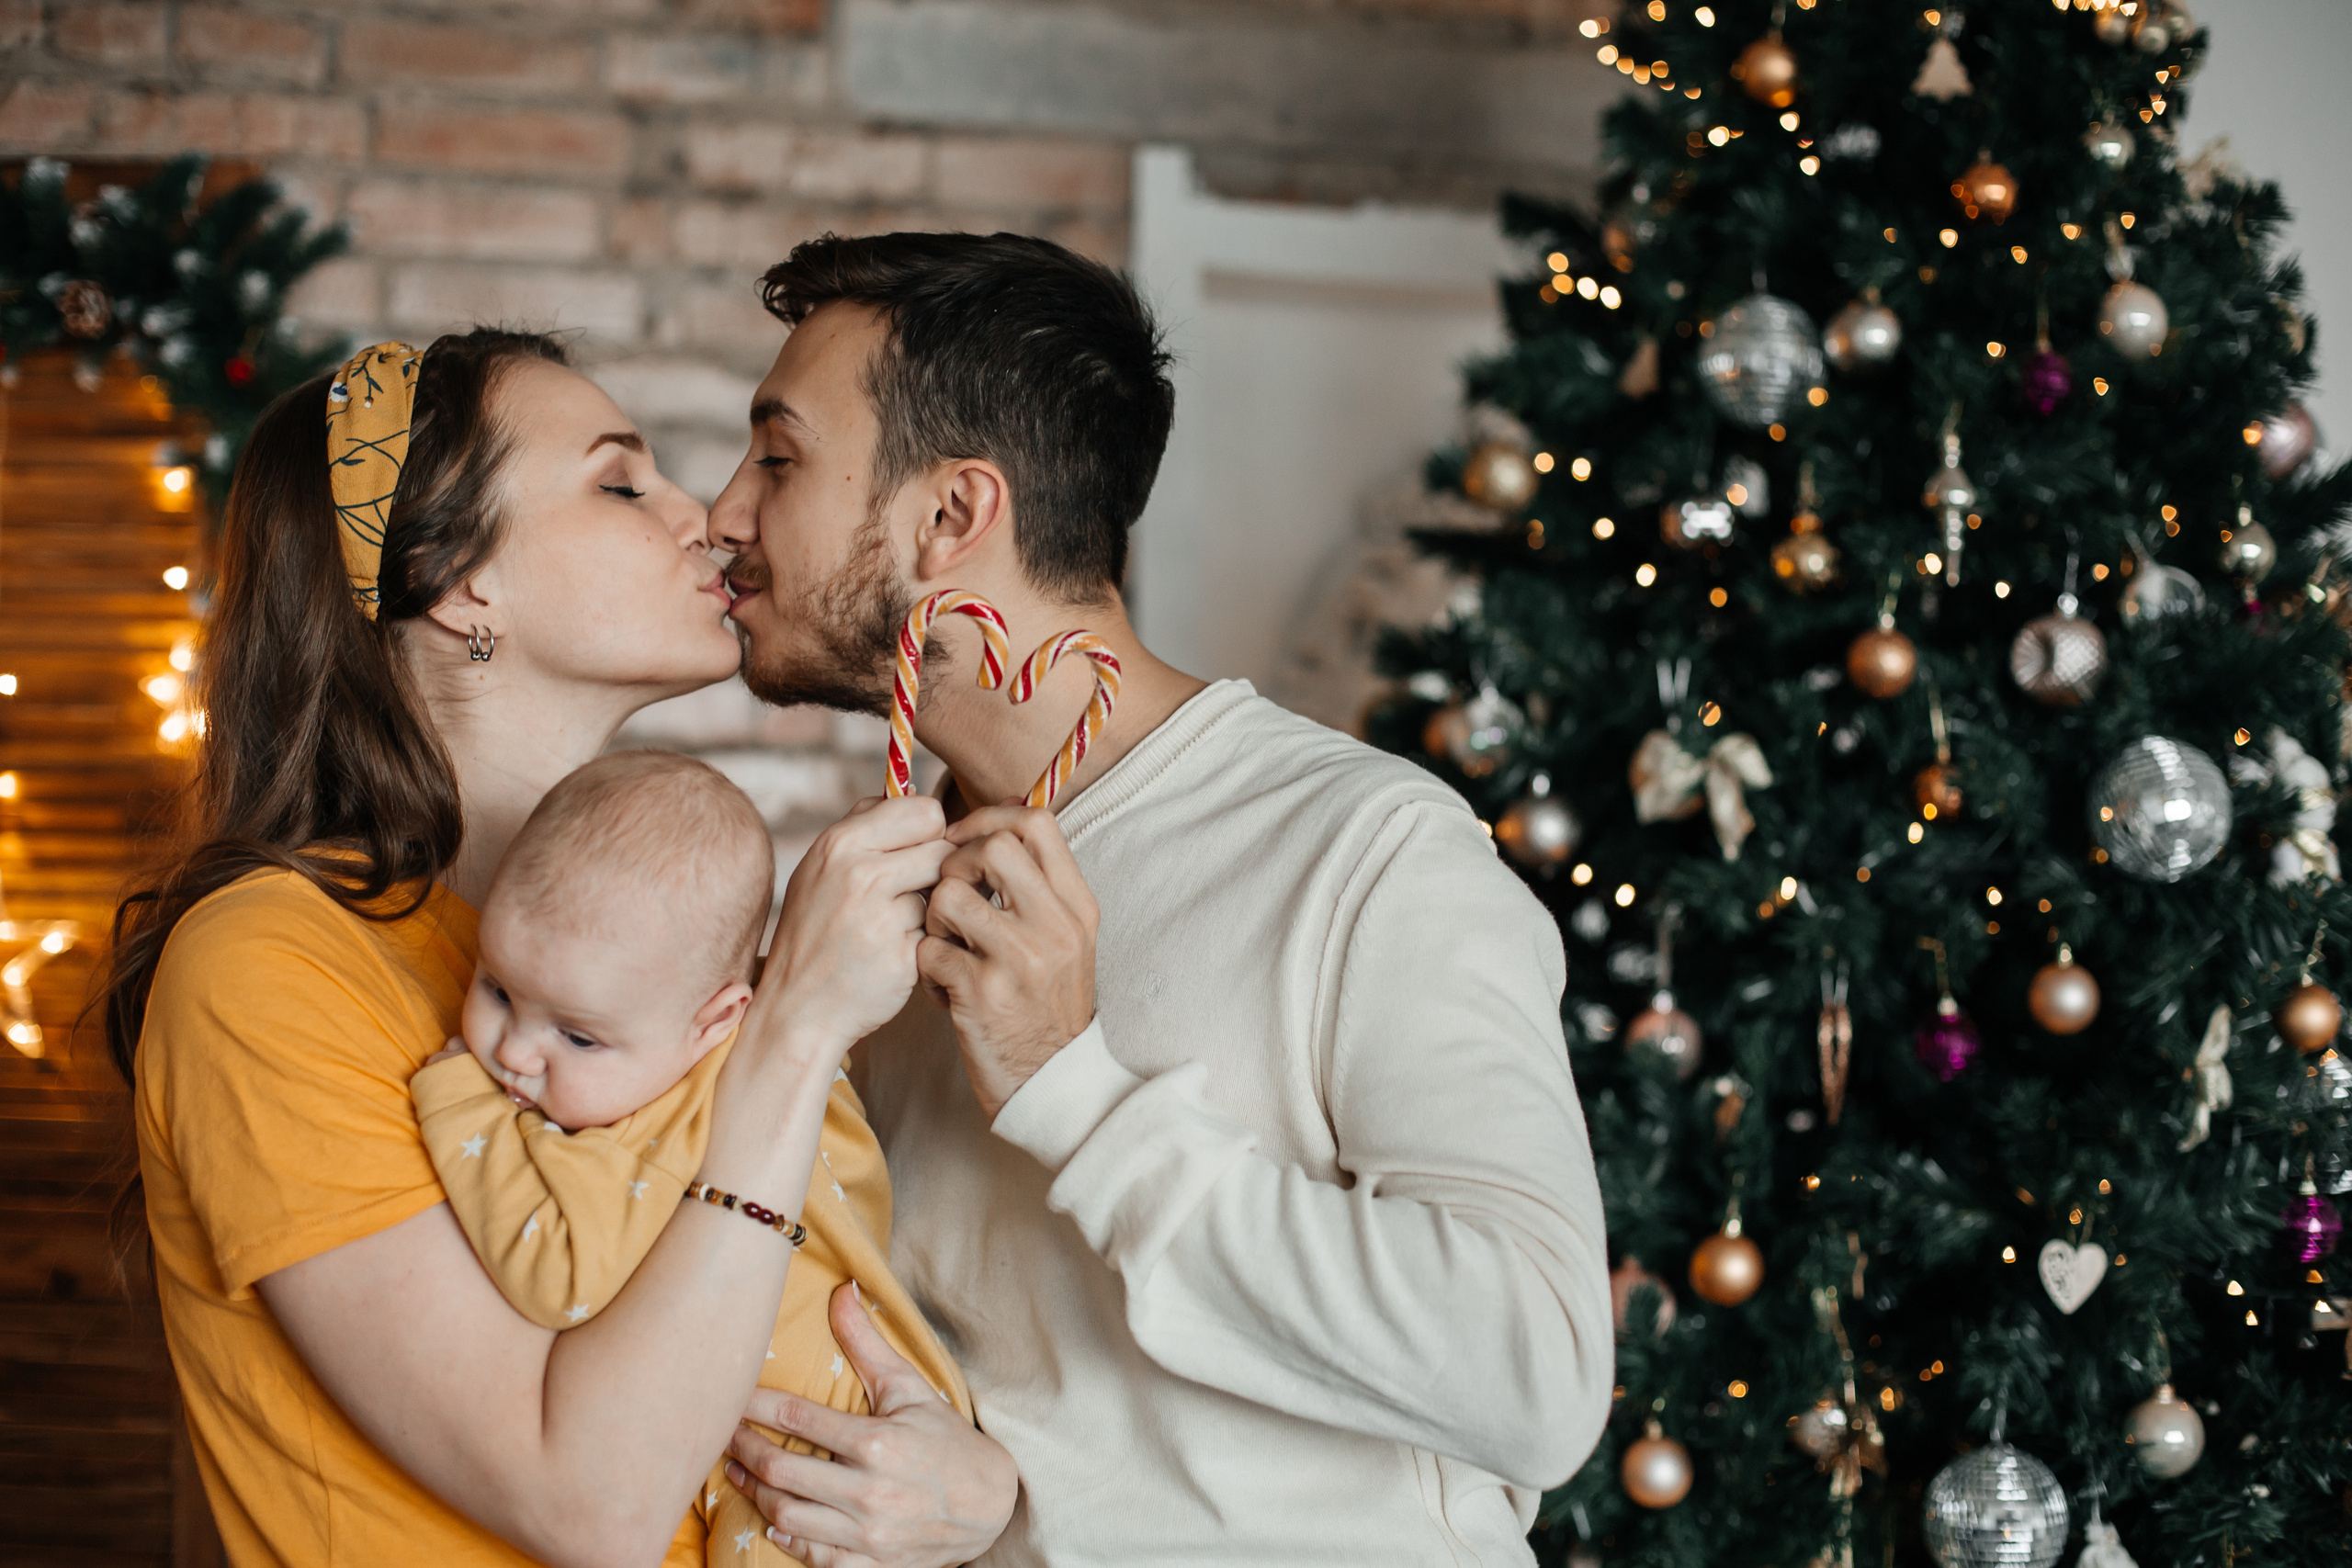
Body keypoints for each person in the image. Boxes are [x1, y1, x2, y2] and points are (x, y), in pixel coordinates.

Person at [710, 231, 1615, 1565]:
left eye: (778, 457)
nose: (725, 510)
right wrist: (1005, 1501)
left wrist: (1073, 1087)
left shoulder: (1365, 850)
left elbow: (1534, 1378)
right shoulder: (881, 901)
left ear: (954, 516)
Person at [109, 331, 1014, 1568]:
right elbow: (590, 1501)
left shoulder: (643, 949)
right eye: (621, 482)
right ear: (460, 584)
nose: (706, 515)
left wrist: (972, 1489)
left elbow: (784, 1330)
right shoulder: (263, 966)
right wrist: (793, 1027)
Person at [413, 747, 974, 1568]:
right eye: (497, 987)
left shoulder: (649, 1120)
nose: (516, 1052)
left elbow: (561, 1272)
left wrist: (459, 1100)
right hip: (883, 1419)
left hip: (811, 1472)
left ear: (716, 1018)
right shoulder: (752, 1050)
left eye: (577, 1034)